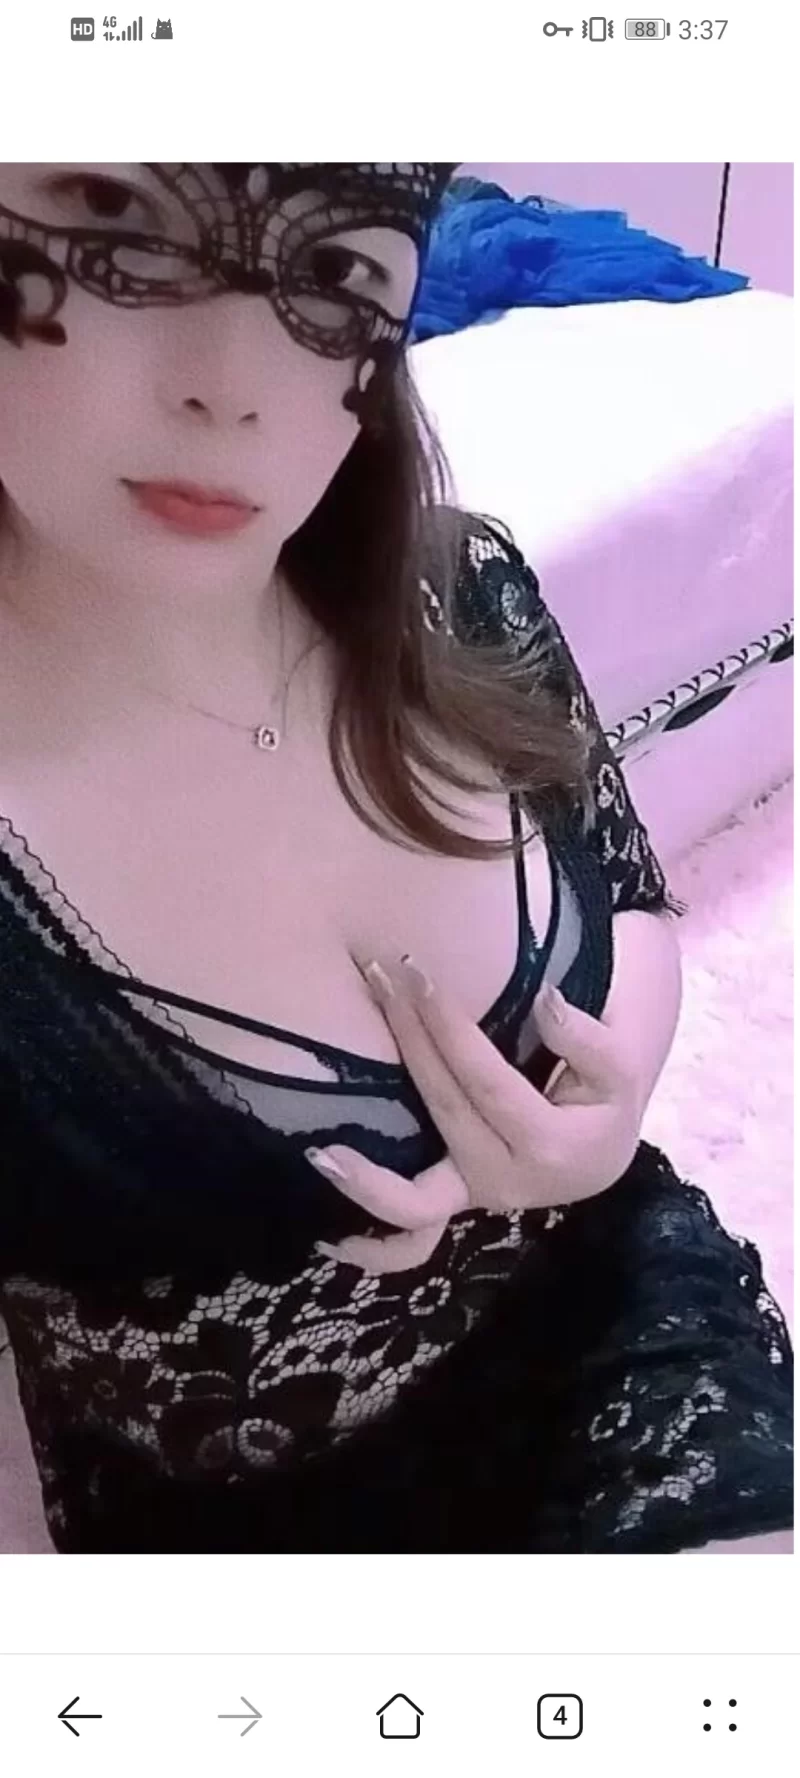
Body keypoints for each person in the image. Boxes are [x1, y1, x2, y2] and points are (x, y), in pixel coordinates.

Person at [0, 162, 792, 1555]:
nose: (237, 389)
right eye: (120, 225)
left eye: (333, 272)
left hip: (612, 1304)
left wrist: (605, 1110)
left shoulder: (458, 590)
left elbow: (628, 896)